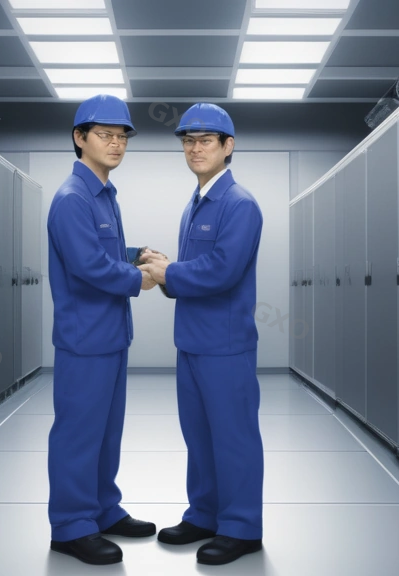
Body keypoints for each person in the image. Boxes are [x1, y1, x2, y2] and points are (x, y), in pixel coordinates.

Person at [139, 103, 265, 565]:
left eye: (205, 140)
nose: (195, 148)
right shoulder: (195, 205)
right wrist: (166, 273)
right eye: (188, 141)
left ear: (228, 147)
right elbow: (192, 275)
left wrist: (171, 272)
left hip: (226, 344)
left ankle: (242, 526)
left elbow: (223, 271)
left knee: (233, 436)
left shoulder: (239, 204)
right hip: (191, 340)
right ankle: (205, 514)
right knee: (200, 436)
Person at [46, 94, 159, 565]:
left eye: (122, 137)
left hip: (111, 335)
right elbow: (89, 264)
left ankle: (103, 510)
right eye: (105, 135)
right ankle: (71, 526)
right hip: (84, 338)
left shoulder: (103, 194)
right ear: (79, 138)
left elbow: (103, 251)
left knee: (107, 432)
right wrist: (142, 278)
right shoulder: (72, 198)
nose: (116, 143)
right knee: (78, 433)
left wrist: (136, 254)